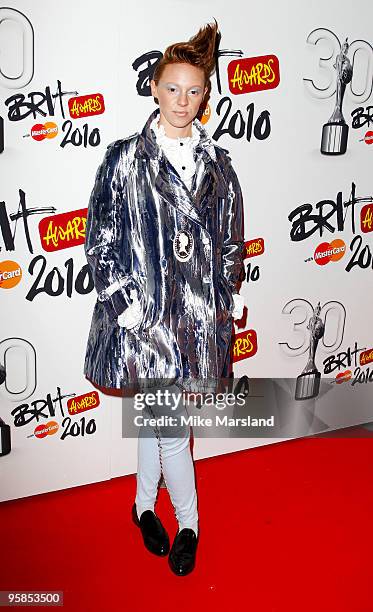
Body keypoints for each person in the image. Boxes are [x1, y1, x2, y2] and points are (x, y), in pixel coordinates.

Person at [84, 19, 245, 576]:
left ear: (207, 95)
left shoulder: (218, 166)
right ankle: (189, 523)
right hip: (145, 324)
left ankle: (140, 507)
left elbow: (230, 243)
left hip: (197, 325)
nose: (183, 100)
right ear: (154, 87)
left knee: (157, 421)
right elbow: (99, 240)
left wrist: (220, 297)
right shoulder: (125, 159)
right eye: (172, 88)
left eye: (195, 90)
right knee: (172, 429)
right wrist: (126, 305)